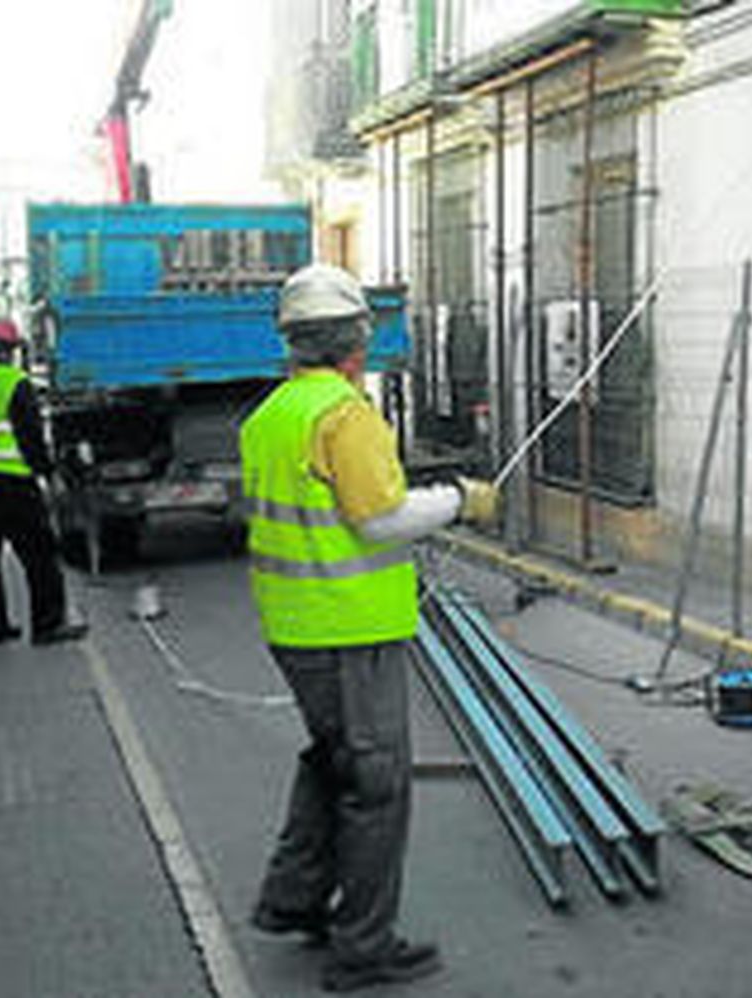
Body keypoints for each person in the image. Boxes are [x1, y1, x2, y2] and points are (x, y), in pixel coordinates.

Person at [242, 263, 499, 993]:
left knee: (333, 762)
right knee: (376, 786)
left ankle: (292, 900)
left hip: (296, 629)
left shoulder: (272, 414)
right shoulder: (344, 414)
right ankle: (362, 947)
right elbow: (380, 518)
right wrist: (458, 499)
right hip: (348, 630)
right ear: (357, 340)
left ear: (293, 341)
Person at [0, 319, 87, 649]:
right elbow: (31, 438)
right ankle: (47, 625)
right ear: (9, 352)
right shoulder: (16, 383)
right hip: (14, 484)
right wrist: (48, 473)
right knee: (40, 555)